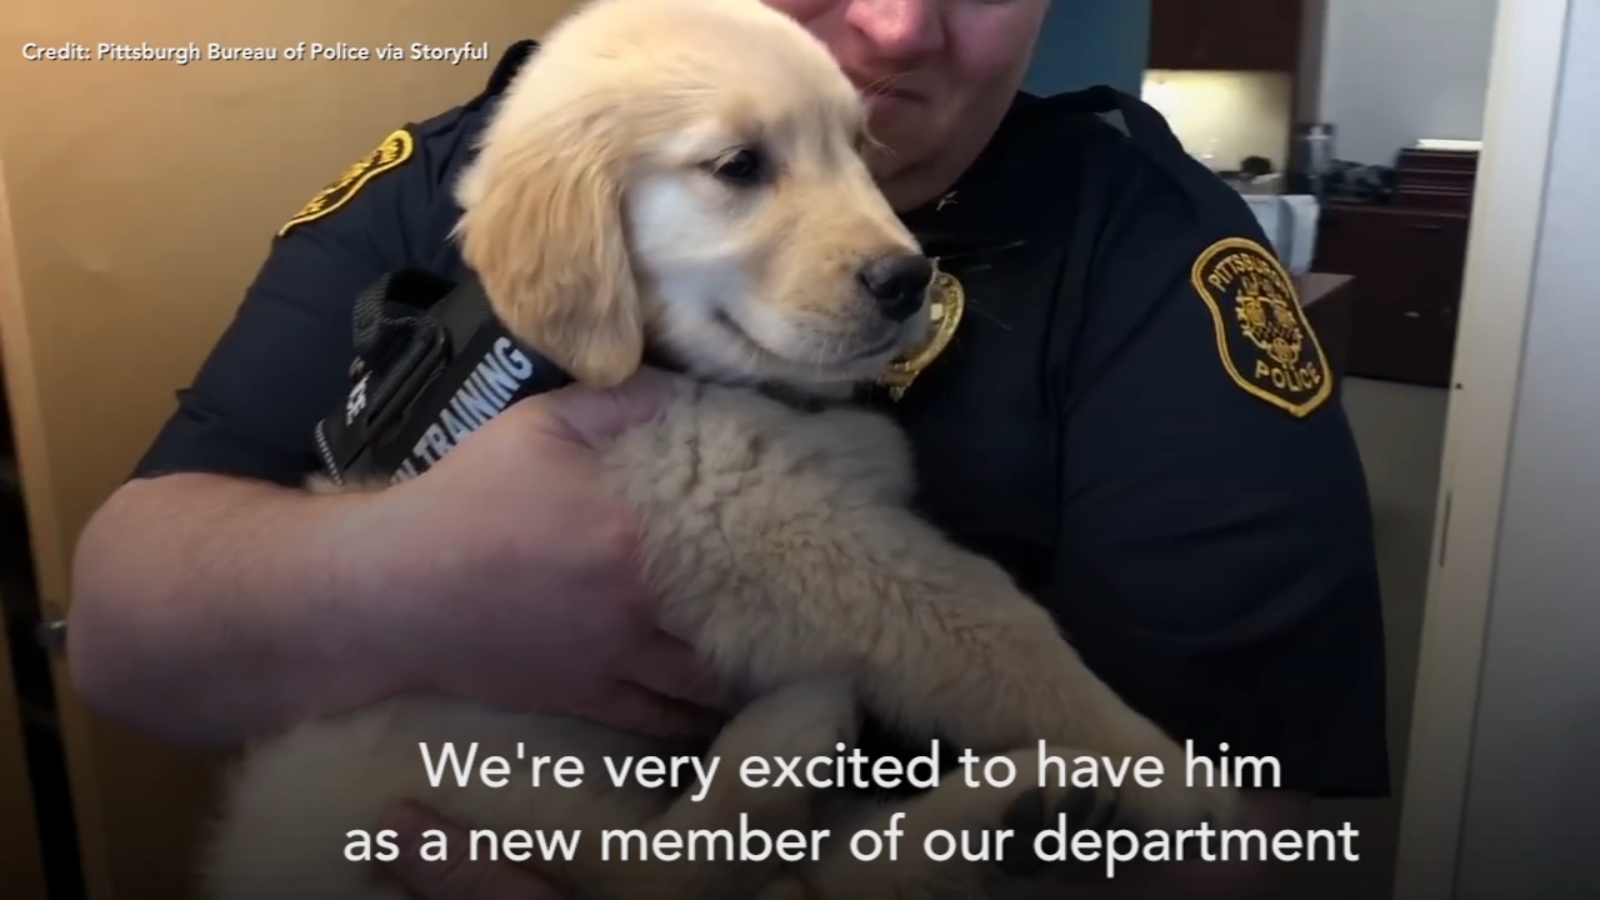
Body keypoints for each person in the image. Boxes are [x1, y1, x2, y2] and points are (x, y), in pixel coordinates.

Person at [67, 0, 1390, 897]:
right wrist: (403, 577)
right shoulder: (465, 175)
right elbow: (123, 636)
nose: (895, 21)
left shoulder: (1148, 254)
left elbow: (1268, 839)